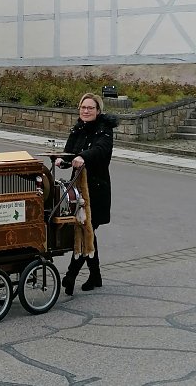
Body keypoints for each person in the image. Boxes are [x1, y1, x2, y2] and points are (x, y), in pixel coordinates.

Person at [55, 92, 118, 295]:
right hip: (78, 189)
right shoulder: (78, 128)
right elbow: (69, 152)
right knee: (87, 231)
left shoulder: (105, 130)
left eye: (90, 108)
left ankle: (71, 275)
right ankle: (95, 275)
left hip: (96, 189)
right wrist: (62, 160)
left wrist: (83, 156)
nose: (86, 111)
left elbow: (100, 151)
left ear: (98, 111)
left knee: (86, 230)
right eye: (83, 107)